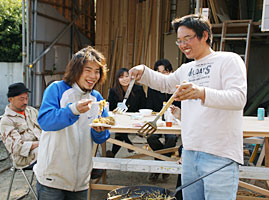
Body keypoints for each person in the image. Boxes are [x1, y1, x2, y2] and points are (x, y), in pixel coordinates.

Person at [130, 14, 247, 200]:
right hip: (190, 153)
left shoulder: (229, 60)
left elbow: (238, 98)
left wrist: (201, 93)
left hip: (219, 154)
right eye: (179, 41)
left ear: (205, 35)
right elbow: (166, 83)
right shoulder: (187, 69)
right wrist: (143, 71)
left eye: (187, 39)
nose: (183, 45)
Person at [34, 46, 111, 200]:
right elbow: (45, 121)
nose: (93, 76)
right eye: (88, 70)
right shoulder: (56, 89)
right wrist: (73, 110)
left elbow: (102, 137)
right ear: (76, 70)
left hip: (81, 180)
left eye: (97, 71)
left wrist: (100, 130)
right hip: (52, 178)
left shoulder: (97, 98)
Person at [146, 59, 181, 182]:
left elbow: (181, 108)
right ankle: (164, 165)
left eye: (165, 71)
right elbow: (150, 107)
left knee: (171, 138)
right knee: (150, 137)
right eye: (158, 72)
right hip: (158, 120)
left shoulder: (178, 87)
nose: (162, 75)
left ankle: (158, 167)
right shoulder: (152, 87)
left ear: (171, 72)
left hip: (173, 119)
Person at [0, 82, 41, 168]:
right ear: (10, 99)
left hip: (41, 148)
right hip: (25, 158)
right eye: (21, 99)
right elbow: (17, 148)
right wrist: (42, 143)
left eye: (26, 98)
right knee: (51, 156)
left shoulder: (31, 111)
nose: (25, 102)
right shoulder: (6, 121)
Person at [106, 67, 146, 157]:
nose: (124, 79)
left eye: (127, 76)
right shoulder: (113, 91)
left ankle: (113, 154)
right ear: (117, 79)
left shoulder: (138, 89)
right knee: (120, 132)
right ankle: (128, 145)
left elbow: (143, 105)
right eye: (121, 77)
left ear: (131, 77)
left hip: (135, 119)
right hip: (120, 119)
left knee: (119, 135)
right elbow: (111, 108)